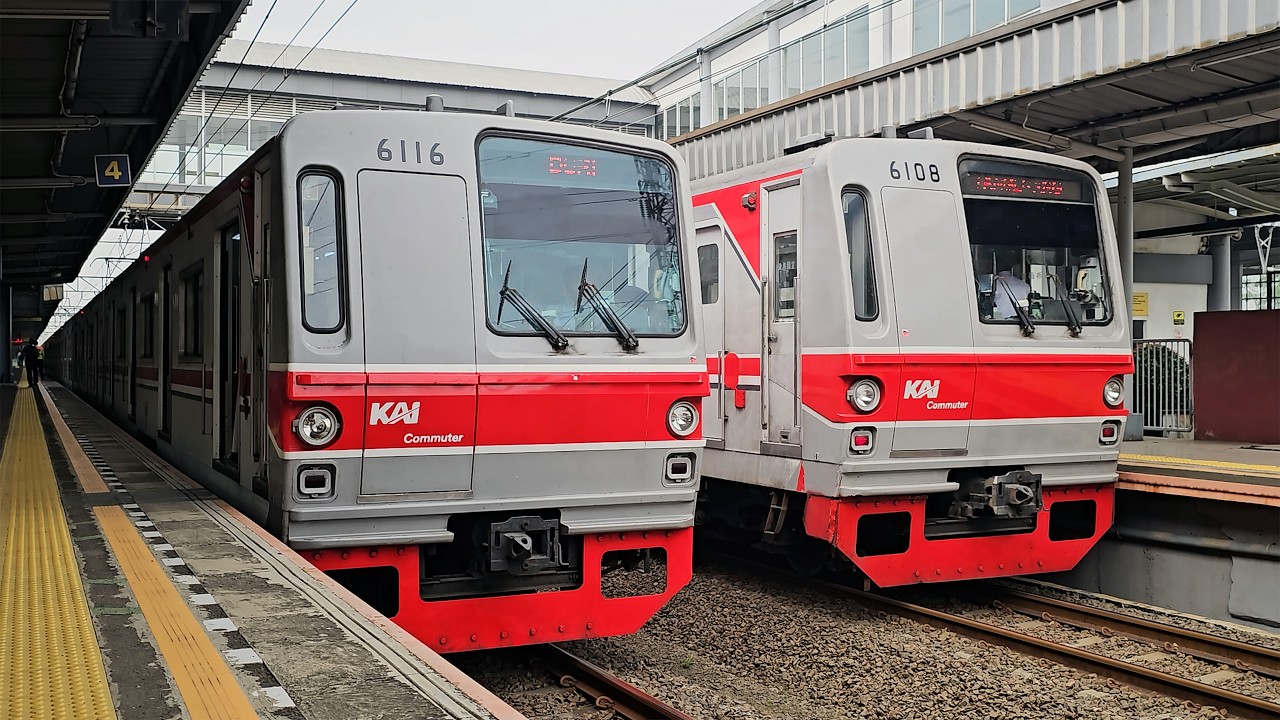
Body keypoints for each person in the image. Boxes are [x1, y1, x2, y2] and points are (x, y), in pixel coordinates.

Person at [993, 254, 1031, 320]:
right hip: (1021, 321)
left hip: (998, 322)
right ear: (1011, 267)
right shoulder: (1025, 285)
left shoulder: (994, 284)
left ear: (997, 265)